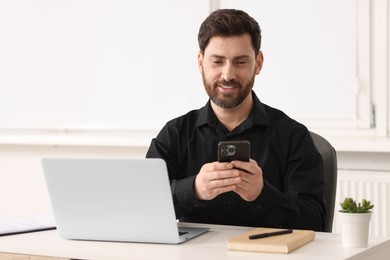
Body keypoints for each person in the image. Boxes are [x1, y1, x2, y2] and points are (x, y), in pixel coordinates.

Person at [146, 9, 326, 231]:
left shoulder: (292, 136)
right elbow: (142, 206)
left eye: (240, 62)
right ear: (200, 62)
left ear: (258, 63)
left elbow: (315, 221)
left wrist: (262, 195)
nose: (228, 74)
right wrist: (194, 189)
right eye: (217, 61)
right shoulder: (175, 134)